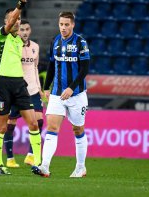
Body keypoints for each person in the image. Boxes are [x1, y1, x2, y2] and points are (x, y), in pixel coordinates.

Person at [32, 11, 90, 178]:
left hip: (77, 94)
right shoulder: (55, 41)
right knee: (52, 127)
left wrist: (72, 87)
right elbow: (51, 65)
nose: (63, 28)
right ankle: (44, 166)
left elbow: (85, 68)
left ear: (72, 25)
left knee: (78, 129)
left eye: (66, 24)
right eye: (61, 24)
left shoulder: (81, 42)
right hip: (57, 93)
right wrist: (47, 87)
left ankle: (80, 167)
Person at [0, 0, 42, 175]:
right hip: (3, 84)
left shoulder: (19, 41)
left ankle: (39, 163)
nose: (17, 22)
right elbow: (12, 20)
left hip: (20, 85)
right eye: (14, 19)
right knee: (2, 127)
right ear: (7, 22)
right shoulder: (0, 36)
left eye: (19, 20)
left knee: (34, 124)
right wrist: (20, 4)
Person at [4, 20, 44, 168]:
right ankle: (10, 158)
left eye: (27, 29)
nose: (25, 32)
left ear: (30, 30)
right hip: (16, 90)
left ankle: (30, 155)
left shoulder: (35, 47)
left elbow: (35, 68)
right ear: (17, 30)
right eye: (22, 29)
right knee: (10, 124)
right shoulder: (13, 46)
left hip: (32, 90)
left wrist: (39, 87)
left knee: (38, 121)